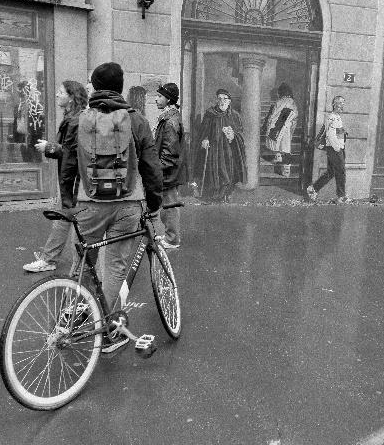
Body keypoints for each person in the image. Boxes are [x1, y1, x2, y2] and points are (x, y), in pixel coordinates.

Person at [59, 62, 163, 353]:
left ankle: (70, 317)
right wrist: (154, 205)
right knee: (116, 266)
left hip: (88, 203)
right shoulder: (137, 120)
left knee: (84, 261)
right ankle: (107, 333)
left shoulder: (78, 120)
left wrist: (69, 203)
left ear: (93, 87)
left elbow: (67, 165)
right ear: (120, 87)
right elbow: (152, 168)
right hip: (127, 204)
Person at [22, 80, 88, 272]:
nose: (57, 95)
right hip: (72, 180)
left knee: (72, 220)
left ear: (71, 97)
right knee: (65, 218)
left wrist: (50, 147)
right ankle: (51, 258)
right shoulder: (73, 117)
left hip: (75, 182)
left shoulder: (77, 120)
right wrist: (52, 146)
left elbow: (73, 153)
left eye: (61, 92)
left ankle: (73, 267)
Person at [191, 89, 247, 202]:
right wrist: (205, 139)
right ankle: (215, 193)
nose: (222, 101)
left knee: (227, 171)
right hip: (214, 149)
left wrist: (233, 135)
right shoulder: (210, 114)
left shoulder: (234, 115)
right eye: (219, 98)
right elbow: (203, 130)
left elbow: (240, 133)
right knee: (215, 171)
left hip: (228, 149)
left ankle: (226, 192)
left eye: (225, 98)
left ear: (229, 101)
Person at [153, 82, 184, 249]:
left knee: (170, 206)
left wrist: (155, 168)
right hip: (168, 171)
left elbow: (170, 154)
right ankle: (170, 235)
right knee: (167, 205)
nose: (156, 99)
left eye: (159, 96)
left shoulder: (170, 121)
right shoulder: (169, 117)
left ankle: (172, 239)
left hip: (168, 172)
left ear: (168, 99)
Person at [306, 96, 350, 203]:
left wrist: (342, 141)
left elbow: (337, 133)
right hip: (334, 149)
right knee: (341, 172)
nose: (342, 106)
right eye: (340, 103)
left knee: (331, 172)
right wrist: (338, 148)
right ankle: (341, 196)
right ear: (334, 104)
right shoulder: (332, 117)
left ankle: (313, 189)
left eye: (343, 103)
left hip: (336, 148)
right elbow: (330, 135)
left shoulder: (337, 117)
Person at [263, 82, 298, 164]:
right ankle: (281, 158)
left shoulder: (279, 102)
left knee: (277, 142)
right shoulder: (291, 102)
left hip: (278, 125)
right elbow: (295, 115)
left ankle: (279, 157)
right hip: (286, 126)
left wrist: (270, 125)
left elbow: (273, 115)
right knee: (283, 143)